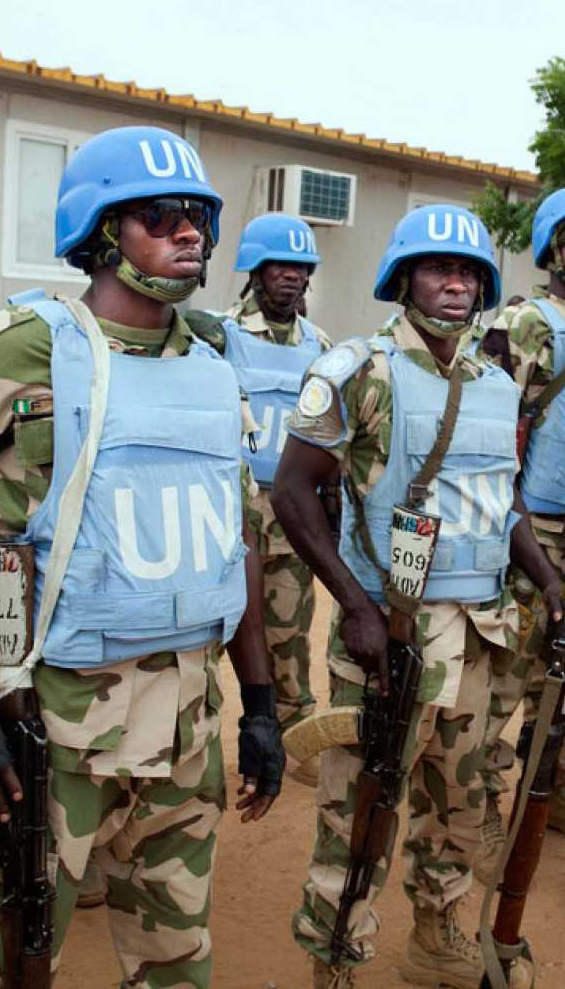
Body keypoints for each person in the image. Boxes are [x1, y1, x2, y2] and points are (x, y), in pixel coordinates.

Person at [0, 124, 285, 988]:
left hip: (187, 725)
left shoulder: (211, 369)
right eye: (159, 216)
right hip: (48, 725)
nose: (189, 232)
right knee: (11, 961)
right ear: (100, 232)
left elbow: (232, 542)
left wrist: (262, 703)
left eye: (199, 216)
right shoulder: (19, 345)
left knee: (176, 958)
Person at [278, 204, 538, 988]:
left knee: (461, 799)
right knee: (362, 807)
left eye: (467, 273)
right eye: (437, 269)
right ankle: (334, 957)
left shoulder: (496, 383)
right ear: (404, 280)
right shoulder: (359, 371)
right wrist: (355, 606)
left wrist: (550, 580)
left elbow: (500, 500)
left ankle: (435, 931)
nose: (455, 284)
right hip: (392, 631)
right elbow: (292, 491)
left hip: (481, 630)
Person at [475, 184, 565, 881]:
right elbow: (493, 437)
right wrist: (518, 541)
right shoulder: (524, 324)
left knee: (564, 677)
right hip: (530, 531)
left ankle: (546, 794)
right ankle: (474, 804)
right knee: (505, 674)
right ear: (552, 252)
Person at [188, 212, 332, 786]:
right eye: (280, 266)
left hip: (292, 511)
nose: (292, 276)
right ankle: (196, 738)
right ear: (255, 269)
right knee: (208, 626)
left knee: (289, 631)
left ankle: (296, 737)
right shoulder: (217, 337)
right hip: (227, 509)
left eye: (301, 267)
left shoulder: (320, 346)